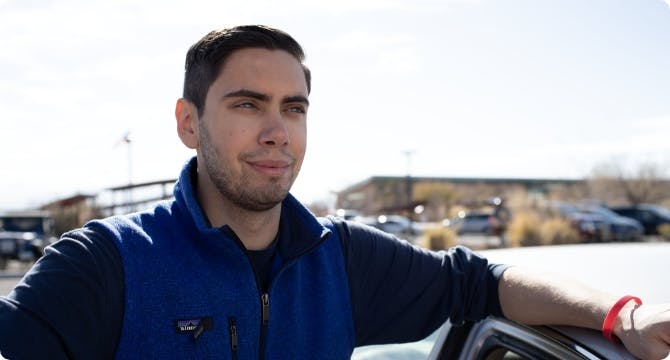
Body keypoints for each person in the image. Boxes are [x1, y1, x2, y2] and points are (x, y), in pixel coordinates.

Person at [0, 25, 669, 360]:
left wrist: (621, 316)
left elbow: (485, 284)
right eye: (247, 104)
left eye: (293, 108)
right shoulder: (101, 264)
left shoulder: (342, 259)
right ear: (188, 122)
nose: (275, 131)